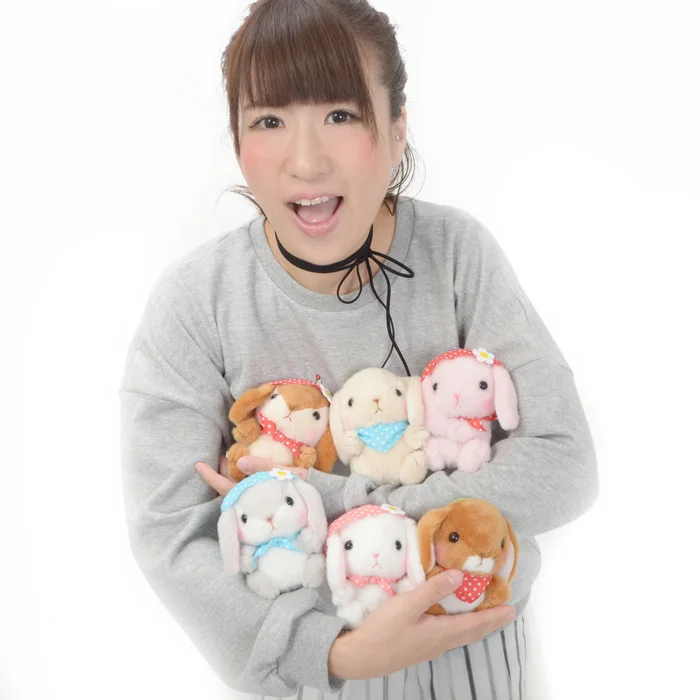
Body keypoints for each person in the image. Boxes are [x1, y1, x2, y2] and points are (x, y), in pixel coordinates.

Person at [119, 1, 599, 698]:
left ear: (398, 130)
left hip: (473, 650)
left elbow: (565, 463)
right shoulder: (195, 302)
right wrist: (335, 654)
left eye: (341, 115)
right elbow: (168, 534)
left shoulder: (458, 255)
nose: (305, 160)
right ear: (236, 139)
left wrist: (320, 492)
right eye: (269, 121)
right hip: (305, 673)